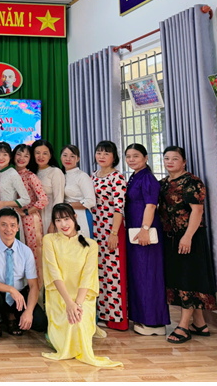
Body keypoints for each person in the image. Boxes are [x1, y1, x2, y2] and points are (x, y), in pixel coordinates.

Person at [41, 203, 122, 368]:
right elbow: (54, 273)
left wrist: (77, 304)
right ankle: (53, 335)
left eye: (66, 219)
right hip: (59, 296)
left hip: (82, 297)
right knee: (65, 337)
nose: (63, 224)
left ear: (75, 218)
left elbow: (87, 277)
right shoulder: (49, 240)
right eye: (58, 220)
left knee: (77, 323)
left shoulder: (91, 245)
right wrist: (69, 303)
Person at [158, 146, 217, 344]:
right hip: (170, 237)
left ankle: (183, 327)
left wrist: (188, 236)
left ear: (184, 162)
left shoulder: (192, 182)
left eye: (175, 158)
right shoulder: (163, 183)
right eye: (166, 158)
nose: (169, 162)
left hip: (189, 237)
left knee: (188, 280)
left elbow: (197, 211)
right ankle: (199, 323)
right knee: (180, 278)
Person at [0, 209, 47, 345]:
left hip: (18, 297)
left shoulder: (25, 251)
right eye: (4, 225)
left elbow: (33, 286)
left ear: (17, 227)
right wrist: (10, 289)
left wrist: (29, 311)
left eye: (12, 225)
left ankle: (12, 317)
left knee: (40, 324)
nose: (8, 229)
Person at [124, 144, 169, 336]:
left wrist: (145, 229)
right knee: (138, 274)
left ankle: (154, 323)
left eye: (136, 156)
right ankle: (142, 318)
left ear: (146, 157)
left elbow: (151, 206)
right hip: (134, 231)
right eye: (128, 156)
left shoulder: (148, 178)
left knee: (149, 275)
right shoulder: (134, 176)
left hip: (144, 231)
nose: (131, 160)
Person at [91, 140, 128, 331]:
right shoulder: (93, 176)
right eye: (99, 152)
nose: (102, 156)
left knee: (113, 273)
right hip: (95, 228)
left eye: (106, 153)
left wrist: (114, 233)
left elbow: (119, 208)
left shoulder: (117, 177)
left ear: (114, 157)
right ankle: (101, 314)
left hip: (111, 229)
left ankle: (116, 318)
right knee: (99, 272)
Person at [13, 144, 48, 277]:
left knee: (33, 253)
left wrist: (27, 212)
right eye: (19, 154)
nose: (21, 158)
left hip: (29, 220)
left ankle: (37, 287)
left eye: (26, 156)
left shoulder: (30, 176)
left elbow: (43, 200)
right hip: (14, 219)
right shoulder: (9, 174)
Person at [0, 142, 30, 237]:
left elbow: (26, 199)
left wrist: (4, 203)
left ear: (10, 156)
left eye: (5, 154)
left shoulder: (13, 174)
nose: (1, 157)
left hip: (10, 219)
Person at [60, 145, 95, 239]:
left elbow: (90, 201)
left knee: (82, 245)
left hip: (81, 217)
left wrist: (68, 205)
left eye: (72, 156)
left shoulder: (82, 176)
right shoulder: (61, 175)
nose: (68, 159)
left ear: (78, 159)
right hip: (65, 217)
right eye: (65, 155)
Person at [30, 139, 65, 235]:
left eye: (45, 153)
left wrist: (54, 223)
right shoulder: (30, 172)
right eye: (37, 153)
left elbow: (58, 199)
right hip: (32, 218)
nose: (41, 156)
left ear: (50, 155)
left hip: (49, 217)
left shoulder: (55, 172)